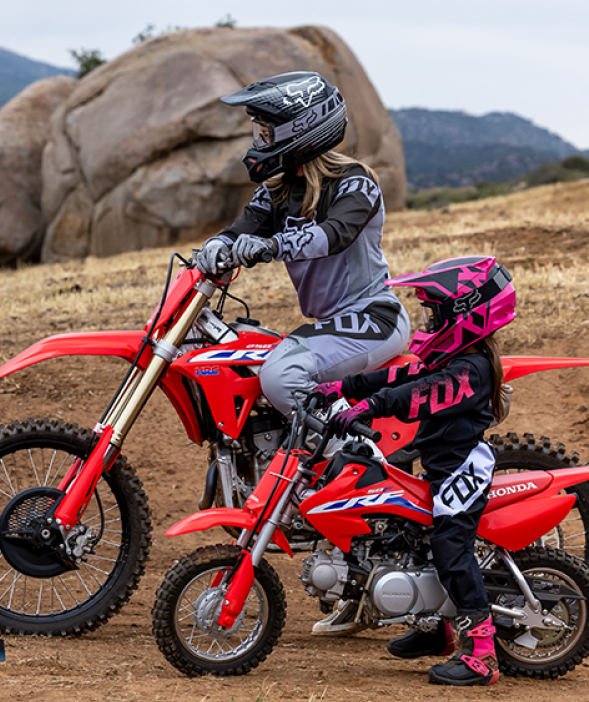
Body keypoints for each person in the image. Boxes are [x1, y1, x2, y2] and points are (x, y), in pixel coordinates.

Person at [315, 256, 517, 686]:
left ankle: (482, 653)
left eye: (436, 313)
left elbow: (419, 393)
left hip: (462, 467)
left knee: (449, 547)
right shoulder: (452, 355)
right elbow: (399, 374)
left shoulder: (471, 369)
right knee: (413, 537)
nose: (430, 321)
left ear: (466, 313)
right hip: (439, 463)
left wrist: (369, 407)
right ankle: (436, 628)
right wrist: (343, 387)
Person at [193, 71, 410, 419]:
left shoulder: (356, 184)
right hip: (333, 323)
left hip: (372, 318)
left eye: (267, 133)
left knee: (281, 377)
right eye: (259, 132)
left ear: (300, 133)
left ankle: (351, 454)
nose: (259, 141)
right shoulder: (275, 190)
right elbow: (241, 228)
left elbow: (334, 234)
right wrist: (217, 246)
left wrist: (271, 246)